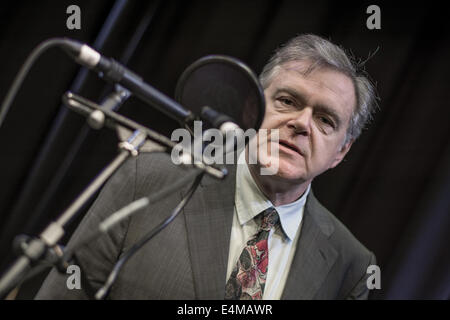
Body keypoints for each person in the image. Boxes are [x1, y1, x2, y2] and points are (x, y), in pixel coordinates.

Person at [35, 34, 377, 300]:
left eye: (325, 120)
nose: (301, 123)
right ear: (251, 109)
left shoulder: (351, 266)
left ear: (341, 152)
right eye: (287, 101)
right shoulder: (149, 180)